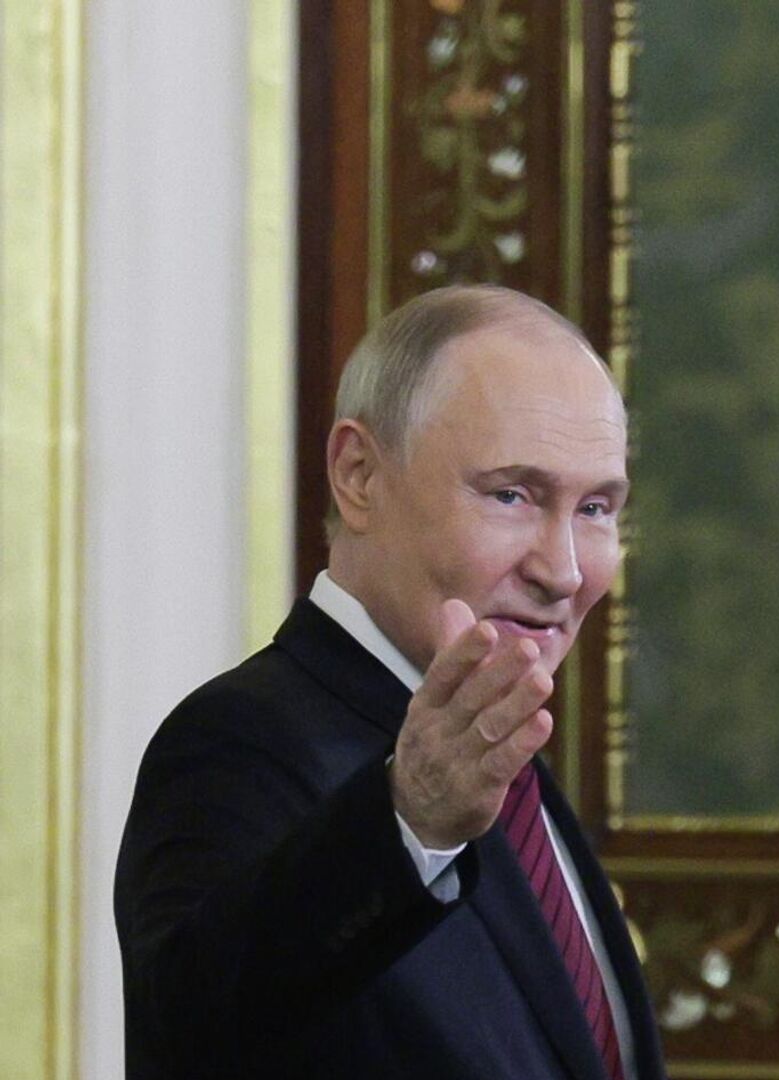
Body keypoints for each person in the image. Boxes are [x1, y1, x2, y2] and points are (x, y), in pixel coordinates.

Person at [117, 285, 666, 1080]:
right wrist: (408, 820)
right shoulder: (237, 742)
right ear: (360, 476)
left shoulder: (499, 755)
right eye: (511, 495)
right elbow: (192, 1036)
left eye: (596, 509)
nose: (564, 570)